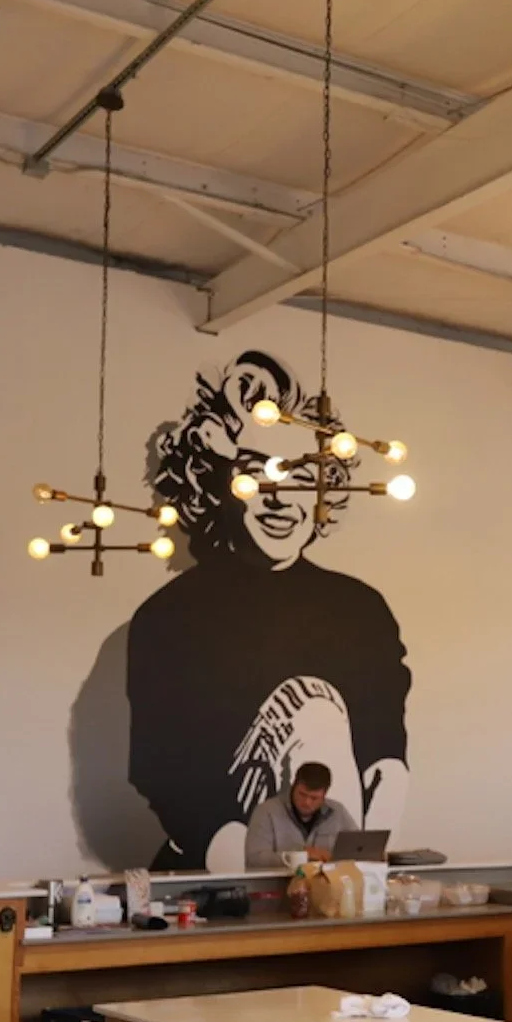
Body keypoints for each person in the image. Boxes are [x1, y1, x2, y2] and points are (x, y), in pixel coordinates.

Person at [127, 351, 412, 869]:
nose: (281, 498)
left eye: (303, 476)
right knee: (314, 705)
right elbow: (158, 766)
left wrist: (369, 865)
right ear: (216, 486)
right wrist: (245, 864)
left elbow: (385, 757)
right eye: (255, 476)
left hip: (333, 853)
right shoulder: (169, 616)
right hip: (230, 848)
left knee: (330, 721)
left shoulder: (361, 608)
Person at [240, 762, 355, 867]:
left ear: (325, 795)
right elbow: (254, 859)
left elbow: (358, 849)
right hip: (277, 886)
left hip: (326, 885)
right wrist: (302, 856)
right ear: (293, 786)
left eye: (314, 798)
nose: (307, 802)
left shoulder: (338, 811)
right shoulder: (266, 811)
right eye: (302, 794)